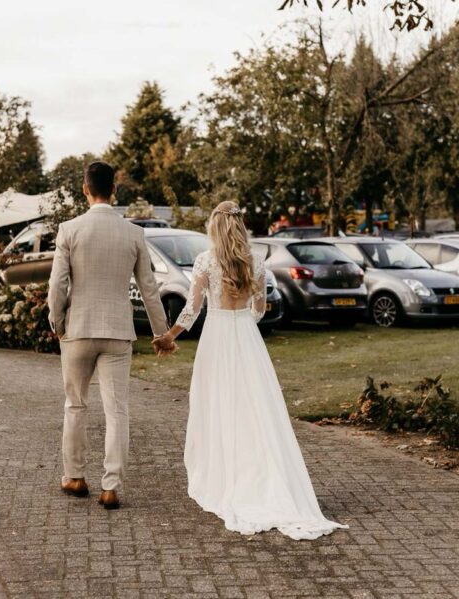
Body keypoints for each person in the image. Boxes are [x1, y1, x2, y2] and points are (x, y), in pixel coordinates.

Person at [155, 200, 348, 541]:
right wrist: (242, 321)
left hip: (217, 339)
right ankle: (262, 476)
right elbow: (259, 310)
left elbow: (192, 310)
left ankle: (225, 478)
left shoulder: (205, 261)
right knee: (255, 408)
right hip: (246, 338)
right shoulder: (256, 261)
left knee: (218, 406)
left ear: (215, 227)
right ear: (240, 226)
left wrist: (169, 336)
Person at [48, 160, 174, 510]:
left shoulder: (69, 229)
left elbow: (57, 284)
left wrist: (57, 322)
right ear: (114, 190)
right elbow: (149, 288)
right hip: (118, 332)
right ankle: (111, 487)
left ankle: (74, 477)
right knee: (117, 410)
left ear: (85, 190)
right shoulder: (133, 233)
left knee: (75, 404)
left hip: (78, 329)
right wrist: (161, 333)